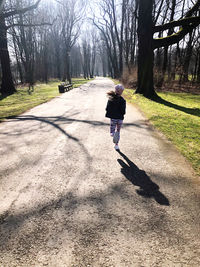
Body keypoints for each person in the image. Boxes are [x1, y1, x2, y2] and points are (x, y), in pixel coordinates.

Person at [105, 84, 126, 150]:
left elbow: (107, 108)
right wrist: (122, 113)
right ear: (121, 92)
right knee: (118, 131)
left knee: (112, 129)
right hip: (120, 118)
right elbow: (123, 111)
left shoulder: (111, 99)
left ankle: (113, 134)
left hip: (113, 118)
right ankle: (116, 145)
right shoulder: (123, 100)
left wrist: (111, 113)